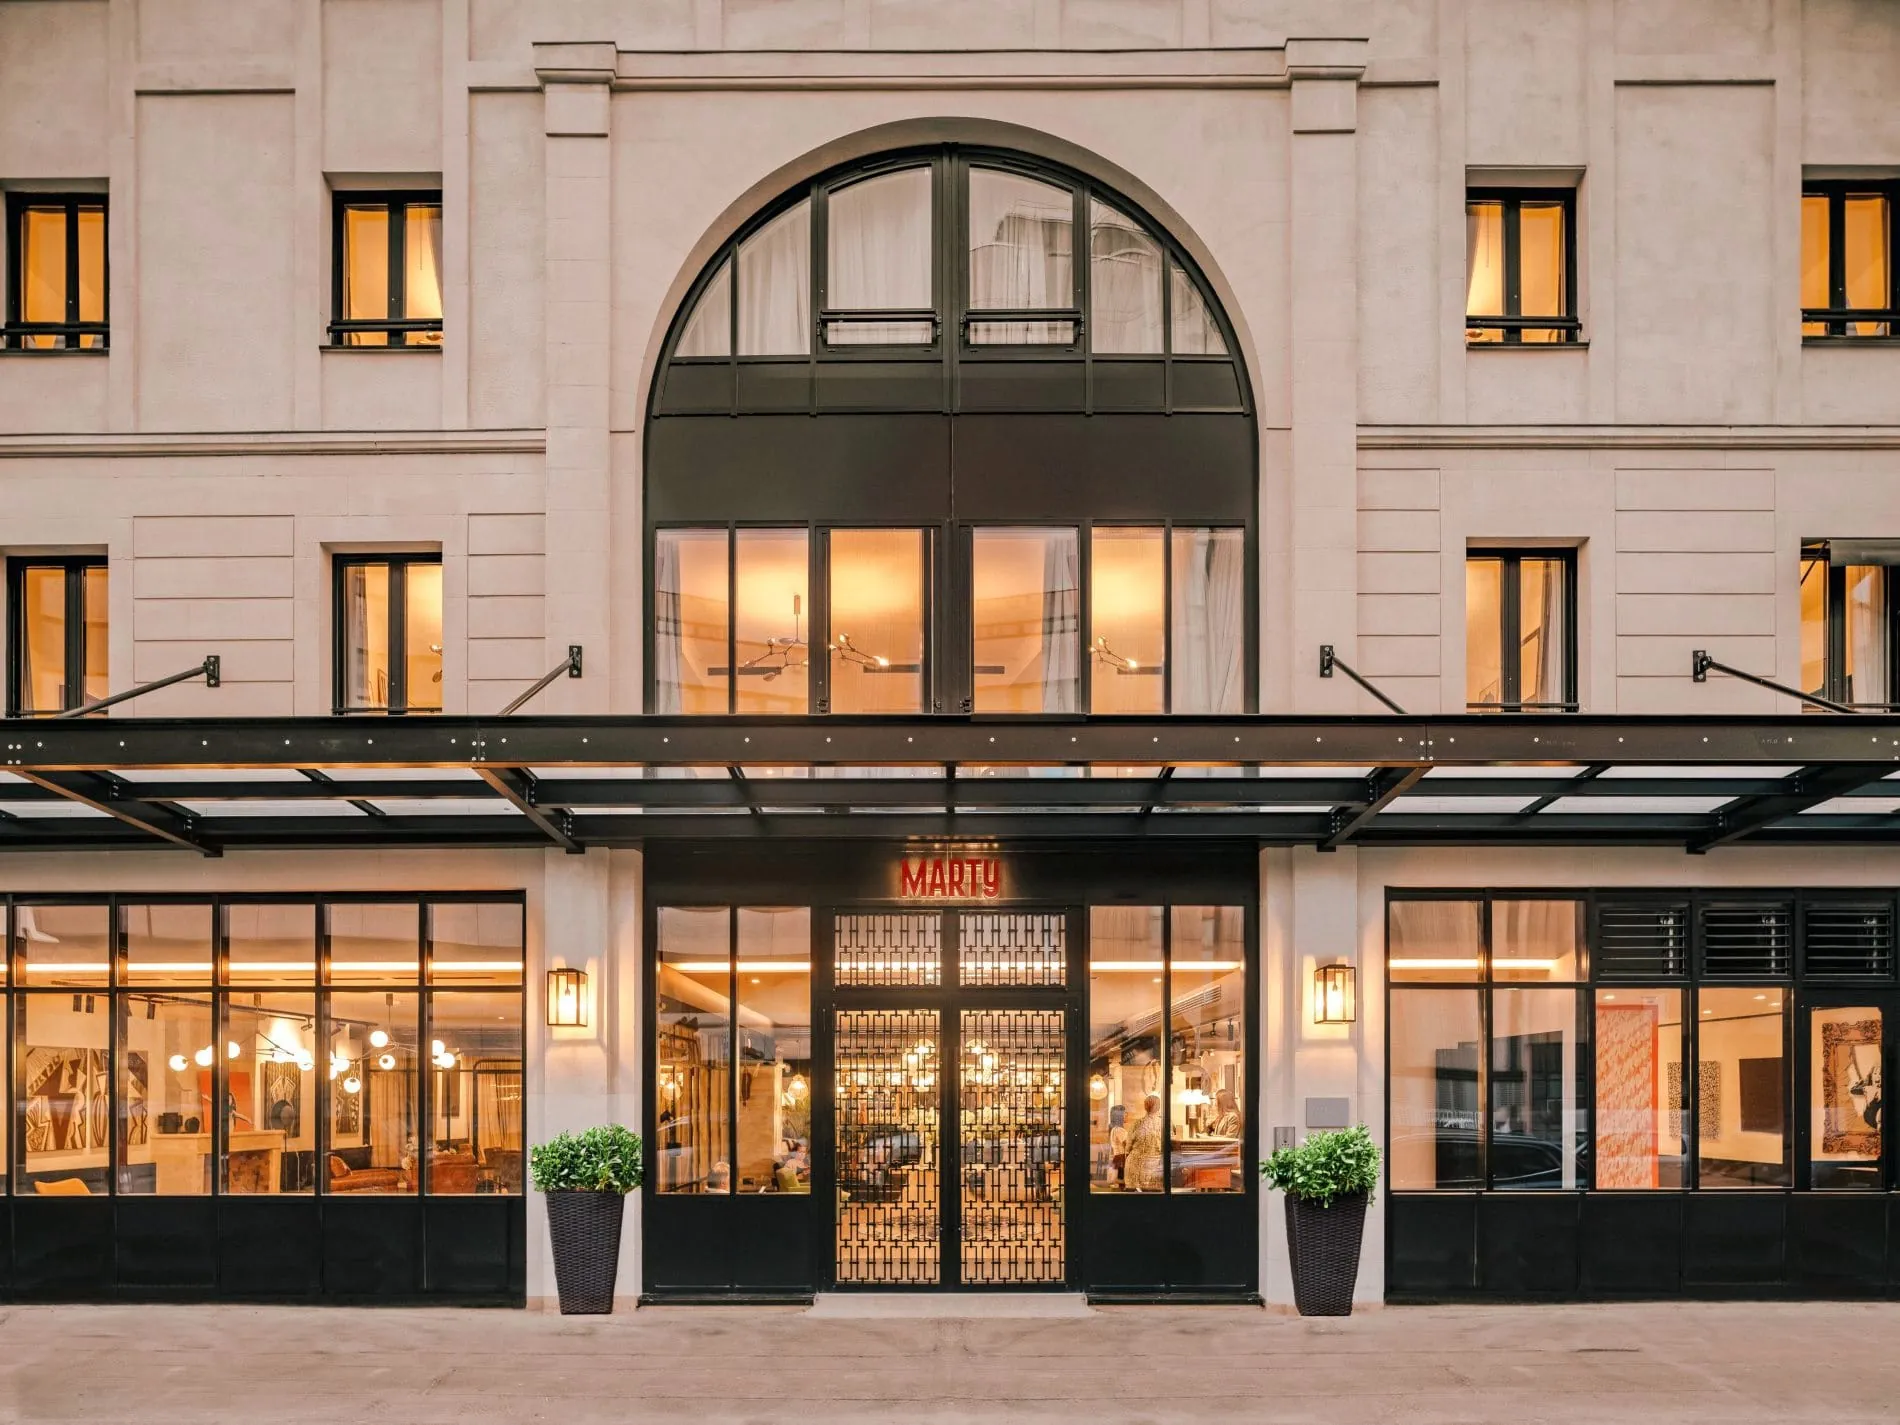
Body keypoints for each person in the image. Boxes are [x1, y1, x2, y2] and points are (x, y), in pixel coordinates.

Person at [1124, 1093, 1164, 1192]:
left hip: (1137, 1165)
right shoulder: (1164, 1124)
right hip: (1156, 1165)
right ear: (1159, 1107)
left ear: (1145, 1107)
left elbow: (1128, 1146)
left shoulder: (1137, 1123)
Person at [1107, 1104, 1129, 1185]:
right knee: (1122, 1182)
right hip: (1121, 1158)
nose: (1127, 1116)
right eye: (1125, 1114)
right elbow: (1128, 1144)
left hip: (1118, 1158)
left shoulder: (1114, 1128)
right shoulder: (1119, 1130)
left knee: (1119, 1183)